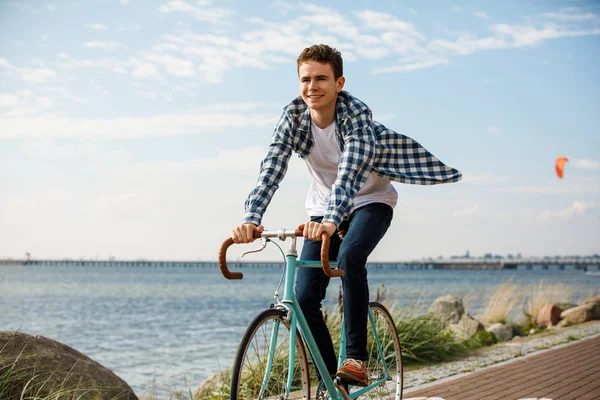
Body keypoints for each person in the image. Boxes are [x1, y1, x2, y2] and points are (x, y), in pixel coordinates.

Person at [231, 44, 461, 398]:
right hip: (323, 208)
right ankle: (329, 384)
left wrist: (332, 220)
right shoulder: (293, 117)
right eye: (305, 79)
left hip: (371, 200)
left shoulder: (356, 116)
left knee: (350, 257)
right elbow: (271, 168)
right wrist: (250, 217)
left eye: (321, 78)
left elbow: (350, 174)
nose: (312, 87)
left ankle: (355, 358)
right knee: (304, 296)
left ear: (339, 82)